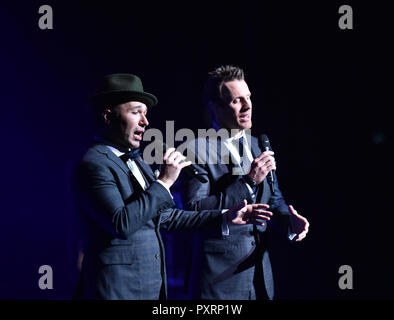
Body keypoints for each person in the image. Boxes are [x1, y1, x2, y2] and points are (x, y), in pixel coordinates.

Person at [73, 73, 272, 300]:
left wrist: (225, 217)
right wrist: (164, 181)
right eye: (136, 112)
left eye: (146, 114)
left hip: (151, 288)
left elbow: (166, 217)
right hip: (116, 290)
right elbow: (121, 223)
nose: (145, 122)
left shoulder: (137, 161)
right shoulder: (93, 164)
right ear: (108, 116)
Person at [181, 65, 310, 300]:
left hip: (260, 279)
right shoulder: (195, 150)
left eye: (248, 97)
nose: (248, 106)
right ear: (214, 108)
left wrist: (288, 223)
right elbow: (193, 210)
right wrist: (249, 181)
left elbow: (273, 200)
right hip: (219, 283)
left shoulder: (258, 145)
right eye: (236, 101)